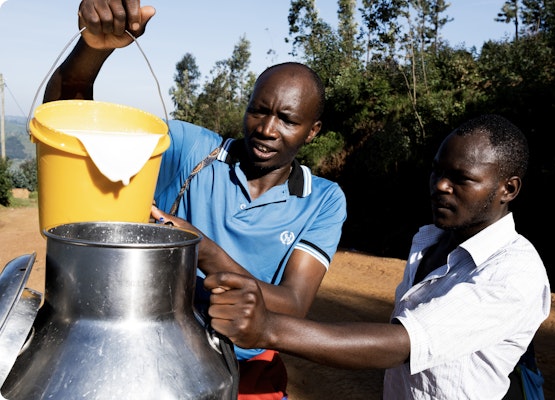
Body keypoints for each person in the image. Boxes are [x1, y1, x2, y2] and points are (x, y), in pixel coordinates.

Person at [42, 2, 347, 399]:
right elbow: (70, 122)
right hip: (160, 357)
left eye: (287, 120)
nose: (267, 129)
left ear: (312, 131)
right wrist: (94, 49)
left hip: (253, 373)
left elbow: (291, 306)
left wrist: (200, 248)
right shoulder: (189, 150)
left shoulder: (322, 199)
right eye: (258, 111)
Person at [205, 114, 552, 399]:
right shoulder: (429, 239)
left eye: (461, 179)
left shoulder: (514, 272)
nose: (440, 186)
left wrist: (268, 328)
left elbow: (401, 345)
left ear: (509, 188)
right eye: (437, 171)